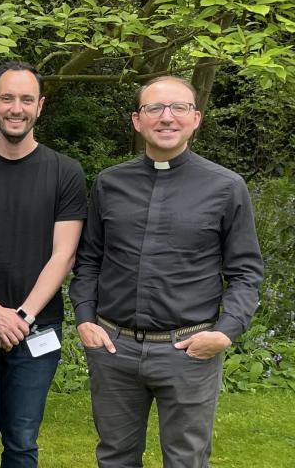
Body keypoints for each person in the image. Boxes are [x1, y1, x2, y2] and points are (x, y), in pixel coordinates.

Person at [70, 76, 263, 468]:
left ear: (196, 118)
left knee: (186, 460)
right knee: (115, 458)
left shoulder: (226, 187)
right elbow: (90, 259)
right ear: (137, 121)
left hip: (189, 351)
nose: (166, 117)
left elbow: (245, 270)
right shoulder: (110, 183)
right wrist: (85, 319)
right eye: (154, 108)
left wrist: (225, 333)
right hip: (114, 348)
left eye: (178, 108)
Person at [0, 62, 86, 468]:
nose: (17, 108)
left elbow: (64, 254)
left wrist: (22, 318)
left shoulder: (65, 172)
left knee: (22, 438)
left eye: (26, 99)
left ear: (40, 107)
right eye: (7, 98)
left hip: (38, 328)